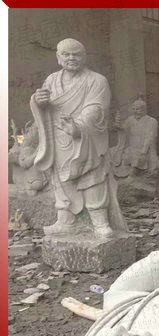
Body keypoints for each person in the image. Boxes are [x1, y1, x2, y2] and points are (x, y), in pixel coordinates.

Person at [31, 38, 126, 238]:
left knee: (92, 177)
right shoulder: (51, 80)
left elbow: (97, 109)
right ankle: (66, 221)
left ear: (84, 57)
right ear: (58, 57)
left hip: (86, 139)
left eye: (76, 54)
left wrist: (78, 127)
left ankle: (100, 223)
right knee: (61, 181)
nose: (71, 58)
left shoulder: (97, 80)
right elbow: (45, 107)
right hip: (59, 140)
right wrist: (38, 102)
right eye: (66, 54)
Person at [112, 98, 159, 180]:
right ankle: (125, 175)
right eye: (134, 109)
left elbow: (150, 137)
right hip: (132, 148)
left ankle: (132, 176)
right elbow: (123, 127)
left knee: (138, 159)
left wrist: (144, 149)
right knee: (121, 157)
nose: (135, 111)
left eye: (137, 109)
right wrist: (117, 124)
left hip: (143, 148)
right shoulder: (130, 119)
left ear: (144, 109)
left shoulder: (151, 121)